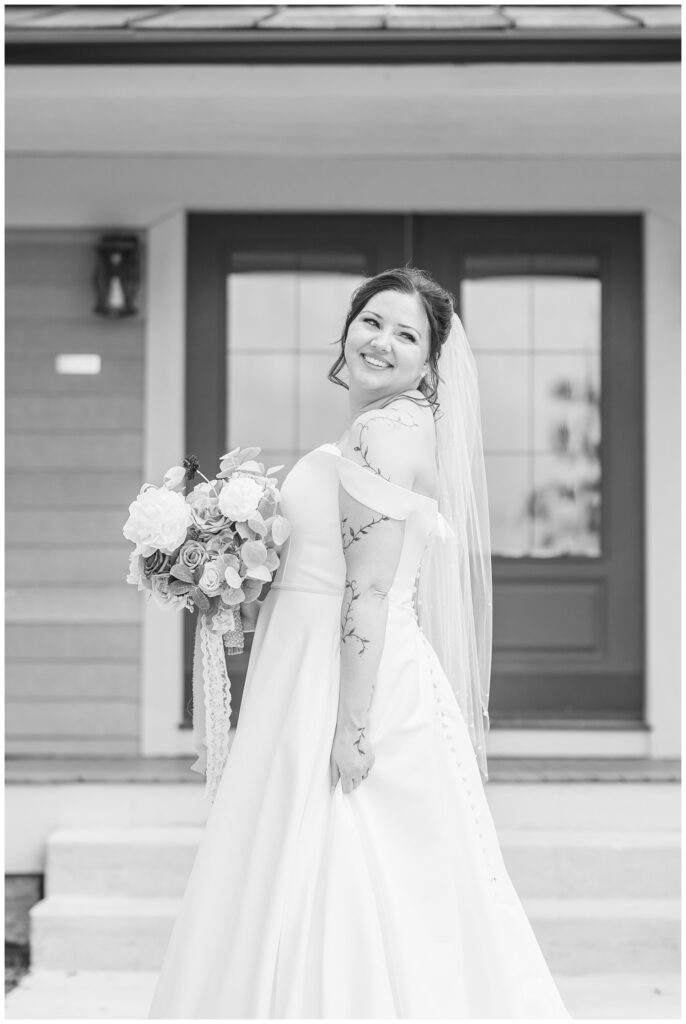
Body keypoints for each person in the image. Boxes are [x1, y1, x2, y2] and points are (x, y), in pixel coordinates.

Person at [148, 267, 571, 1019]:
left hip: (347, 685)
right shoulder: (383, 425)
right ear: (348, 326)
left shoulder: (381, 432)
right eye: (372, 320)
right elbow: (324, 568)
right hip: (305, 665)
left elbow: (368, 592)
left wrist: (349, 730)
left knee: (340, 864)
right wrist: (229, 574)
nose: (382, 341)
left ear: (430, 362)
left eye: (407, 335)